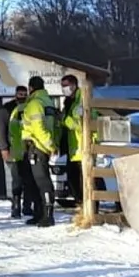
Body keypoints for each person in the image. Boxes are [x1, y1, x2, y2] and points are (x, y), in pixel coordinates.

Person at [13, 76, 57, 227]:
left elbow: (38, 128)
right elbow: (53, 126)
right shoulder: (48, 102)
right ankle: (39, 214)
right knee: (37, 183)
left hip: (37, 147)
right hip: (42, 147)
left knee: (42, 182)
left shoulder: (34, 104)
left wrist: (50, 145)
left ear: (31, 88)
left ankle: (47, 216)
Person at [0, 83, 31, 218]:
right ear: (15, 94)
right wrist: (4, 148)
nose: (22, 97)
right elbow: (0, 130)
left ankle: (27, 206)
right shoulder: (7, 109)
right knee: (17, 179)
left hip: (29, 149)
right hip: (13, 150)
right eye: (20, 94)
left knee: (29, 179)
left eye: (24, 94)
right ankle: (16, 206)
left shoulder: (31, 107)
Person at [59, 74, 84, 207]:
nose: (64, 89)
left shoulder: (82, 100)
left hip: (82, 146)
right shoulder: (69, 101)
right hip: (72, 147)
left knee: (82, 180)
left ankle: (88, 206)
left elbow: (81, 124)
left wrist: (64, 120)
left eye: (66, 85)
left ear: (74, 85)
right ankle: (80, 203)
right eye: (62, 86)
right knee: (73, 179)